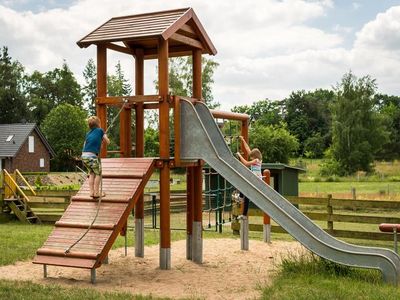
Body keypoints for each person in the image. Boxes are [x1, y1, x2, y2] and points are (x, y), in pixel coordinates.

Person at [81, 116, 110, 198]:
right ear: (98, 124)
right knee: (98, 173)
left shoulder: (88, 133)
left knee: (91, 173)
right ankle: (97, 193)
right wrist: (105, 137)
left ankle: (91, 192)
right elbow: (107, 142)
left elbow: (85, 144)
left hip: (84, 156)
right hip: (92, 156)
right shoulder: (100, 131)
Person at [236, 136, 263, 219]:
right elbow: (248, 149)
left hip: (255, 179)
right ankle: (244, 215)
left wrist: (239, 155)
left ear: (255, 156)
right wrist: (243, 140)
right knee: (247, 196)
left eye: (251, 156)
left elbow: (246, 163)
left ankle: (240, 197)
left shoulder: (256, 161)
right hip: (254, 178)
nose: (250, 157)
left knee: (243, 181)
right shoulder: (258, 159)